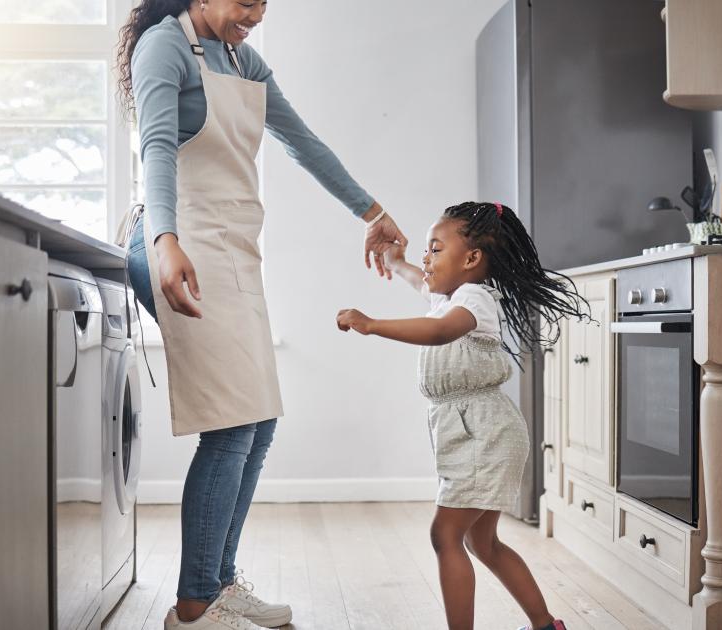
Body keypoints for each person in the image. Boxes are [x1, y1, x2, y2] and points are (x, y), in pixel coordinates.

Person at [115, 1, 407, 628]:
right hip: (178, 239)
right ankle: (194, 606)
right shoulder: (164, 47)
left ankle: (218, 582)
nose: (256, 14)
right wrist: (165, 241)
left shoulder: (243, 61)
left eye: (264, 3)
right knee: (229, 424)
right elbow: (157, 150)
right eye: (245, 1)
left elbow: (303, 142)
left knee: (259, 421)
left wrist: (372, 212)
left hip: (232, 249)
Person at [336, 201, 587, 630]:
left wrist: (372, 324)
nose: (426, 258)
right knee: (482, 543)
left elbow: (440, 332)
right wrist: (396, 262)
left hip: (484, 433)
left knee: (445, 535)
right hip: (474, 430)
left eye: (435, 248)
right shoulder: (449, 295)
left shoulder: (474, 298)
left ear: (471, 259)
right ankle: (547, 625)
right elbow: (420, 281)